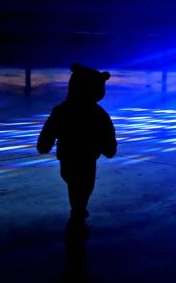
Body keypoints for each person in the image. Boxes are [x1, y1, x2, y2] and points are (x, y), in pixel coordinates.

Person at [37, 63, 117, 237]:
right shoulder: (98, 114)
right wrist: (108, 148)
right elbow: (107, 137)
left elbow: (49, 131)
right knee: (84, 185)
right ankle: (79, 208)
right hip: (87, 158)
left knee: (74, 182)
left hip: (68, 155)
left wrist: (44, 145)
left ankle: (78, 208)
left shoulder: (62, 110)